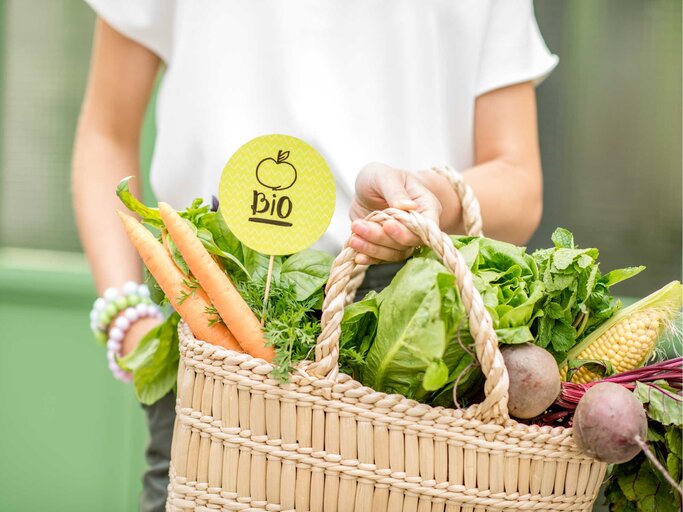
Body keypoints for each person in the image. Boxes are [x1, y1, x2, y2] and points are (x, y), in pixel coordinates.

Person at [72, 1, 557, 510]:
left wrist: (427, 195)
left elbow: (519, 182)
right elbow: (108, 131)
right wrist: (125, 315)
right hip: (217, 309)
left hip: (407, 327)